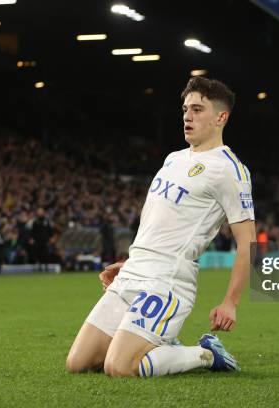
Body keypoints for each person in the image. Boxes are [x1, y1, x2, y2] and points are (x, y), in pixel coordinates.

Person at [66, 77, 256, 378]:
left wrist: (230, 302)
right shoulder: (173, 159)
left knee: (119, 367)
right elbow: (161, 223)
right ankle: (160, 340)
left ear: (221, 117)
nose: (187, 116)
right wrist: (131, 261)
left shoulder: (229, 170)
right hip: (134, 272)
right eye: (185, 109)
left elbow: (247, 242)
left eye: (197, 109)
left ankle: (206, 354)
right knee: (78, 364)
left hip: (167, 280)